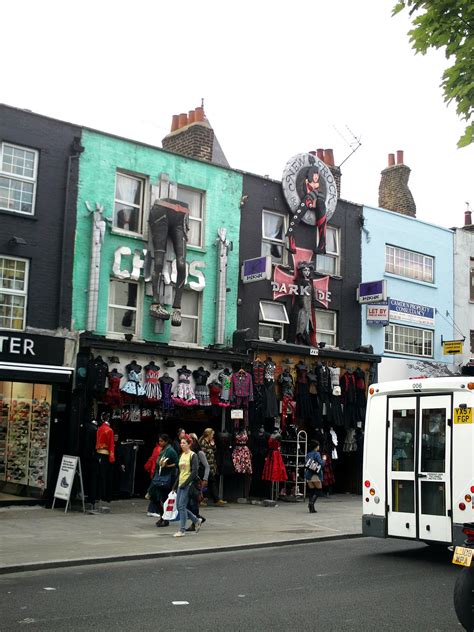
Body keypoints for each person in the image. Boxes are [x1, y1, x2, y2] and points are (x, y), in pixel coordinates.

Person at [174, 436, 203, 537]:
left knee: (181, 506)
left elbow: (194, 472)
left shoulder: (193, 455)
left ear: (189, 444)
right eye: (181, 443)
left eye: (184, 443)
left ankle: (182, 530)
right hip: (180, 483)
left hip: (188, 484)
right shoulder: (182, 455)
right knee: (178, 507)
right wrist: (175, 486)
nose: (182, 445)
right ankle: (196, 520)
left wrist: (185, 483)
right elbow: (180, 472)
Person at [150, 434, 178, 528]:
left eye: (162, 441)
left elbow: (176, 463)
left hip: (167, 478)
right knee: (154, 496)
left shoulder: (170, 451)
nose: (160, 442)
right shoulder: (163, 449)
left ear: (166, 441)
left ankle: (165, 519)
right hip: (159, 476)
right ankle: (163, 516)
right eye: (159, 441)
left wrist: (167, 466)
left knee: (164, 498)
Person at [186, 433, 208, 532]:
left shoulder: (199, 453)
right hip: (189, 480)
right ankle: (198, 518)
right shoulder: (188, 453)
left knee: (194, 502)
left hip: (197, 481)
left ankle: (194, 523)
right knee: (189, 503)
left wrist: (205, 479)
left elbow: (207, 466)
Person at [199, 428, 227, 506]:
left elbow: (213, 451)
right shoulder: (203, 443)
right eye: (212, 434)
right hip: (206, 467)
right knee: (205, 483)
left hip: (210, 466)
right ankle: (202, 499)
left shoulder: (209, 442)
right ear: (208, 434)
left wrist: (213, 445)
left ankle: (216, 499)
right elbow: (203, 456)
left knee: (211, 483)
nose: (213, 436)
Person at [305, 439, 325, 513]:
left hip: (308, 475)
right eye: (318, 445)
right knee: (318, 490)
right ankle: (311, 503)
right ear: (316, 446)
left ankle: (311, 508)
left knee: (312, 491)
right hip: (315, 475)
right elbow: (321, 464)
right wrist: (324, 459)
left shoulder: (308, 454)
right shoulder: (317, 454)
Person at [144, 439, 161, 517]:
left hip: (154, 472)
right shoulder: (159, 449)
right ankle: (152, 510)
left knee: (156, 492)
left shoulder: (156, 449)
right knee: (156, 492)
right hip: (156, 473)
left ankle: (154, 510)